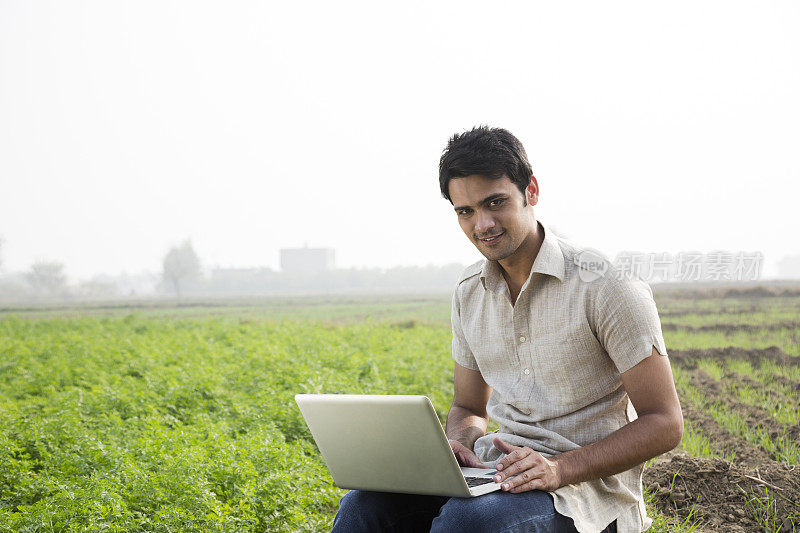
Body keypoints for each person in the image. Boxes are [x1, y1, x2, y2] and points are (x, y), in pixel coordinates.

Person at [332, 126, 683, 533]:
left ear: (530, 191)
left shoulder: (607, 286)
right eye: (465, 211)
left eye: (495, 203)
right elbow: (468, 407)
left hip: (586, 494)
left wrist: (557, 468)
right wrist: (459, 445)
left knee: (468, 523)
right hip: (497, 473)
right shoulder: (469, 293)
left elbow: (665, 423)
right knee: (364, 506)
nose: (482, 224)